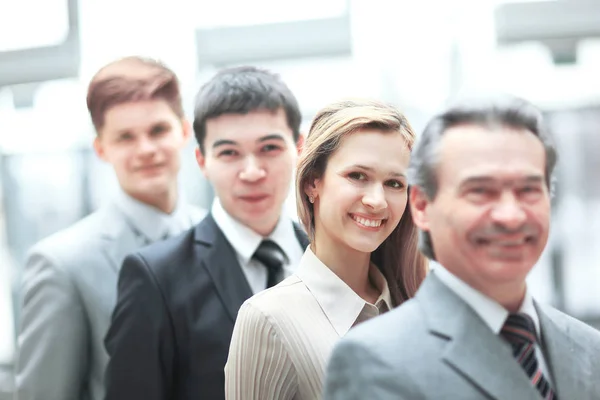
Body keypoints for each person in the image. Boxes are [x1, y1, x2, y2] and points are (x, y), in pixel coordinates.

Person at [323, 94, 600, 400]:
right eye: (480, 191)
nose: (510, 215)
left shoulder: (589, 347)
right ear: (422, 206)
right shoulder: (375, 361)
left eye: (529, 189)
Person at [103, 66, 309, 400]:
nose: (252, 171)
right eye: (229, 153)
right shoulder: (156, 278)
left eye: (269, 148)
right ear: (202, 161)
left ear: (298, 147)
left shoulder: (327, 258)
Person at [13, 56, 205, 400]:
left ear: (184, 131)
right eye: (125, 137)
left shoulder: (219, 236)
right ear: (101, 148)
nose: (146, 149)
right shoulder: (63, 264)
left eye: (158, 130)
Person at [224, 98, 429, 399]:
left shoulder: (419, 306)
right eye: (357, 176)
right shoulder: (268, 319)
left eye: (395, 183)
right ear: (311, 182)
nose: (377, 201)